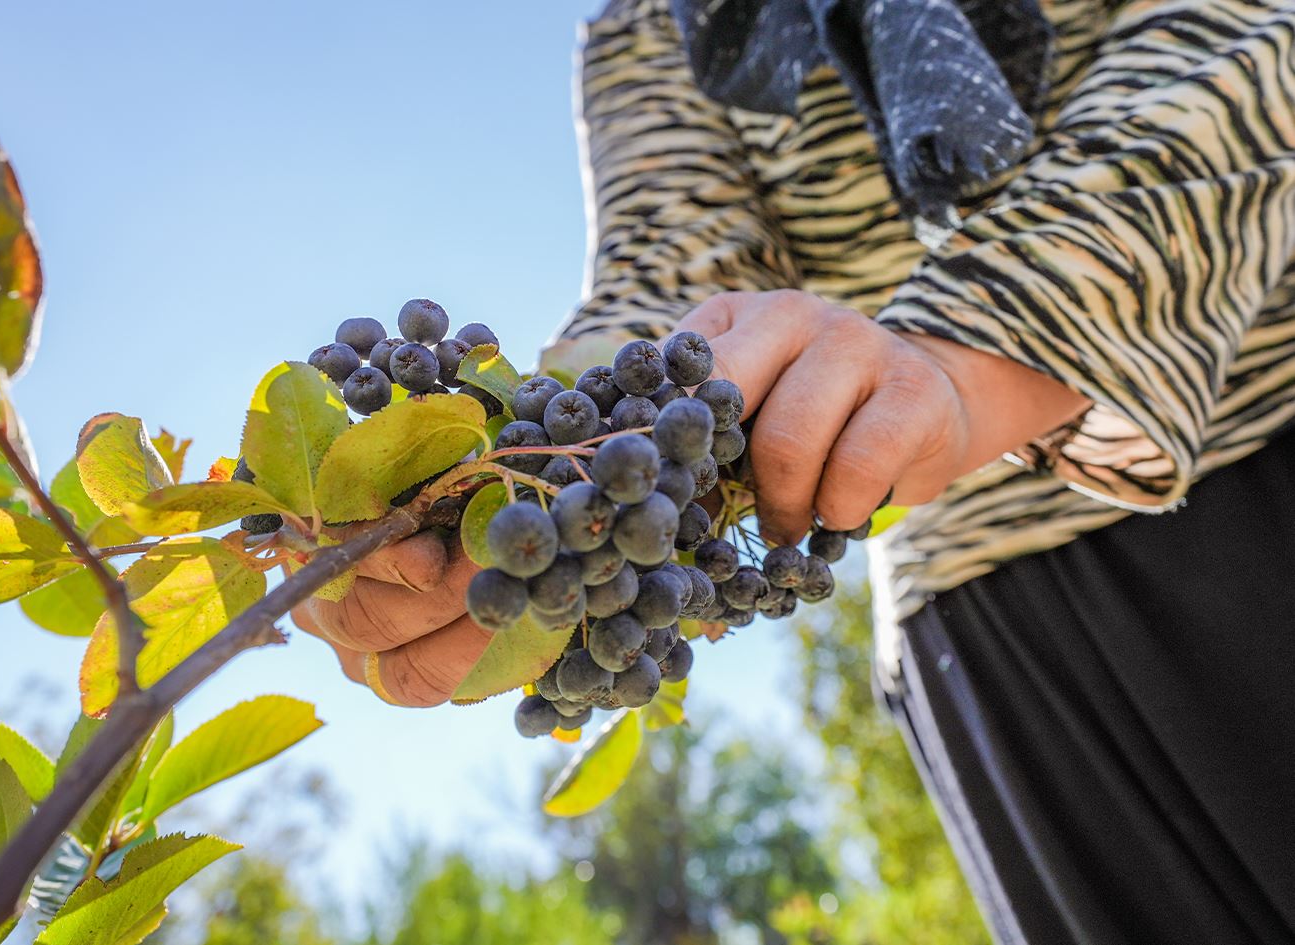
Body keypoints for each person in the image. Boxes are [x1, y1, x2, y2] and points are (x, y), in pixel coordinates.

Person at [294, 0, 1295, 940]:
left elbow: (1245, 54)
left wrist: (971, 350)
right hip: (987, 605)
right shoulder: (654, 22)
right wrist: (502, 466)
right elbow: (669, 277)